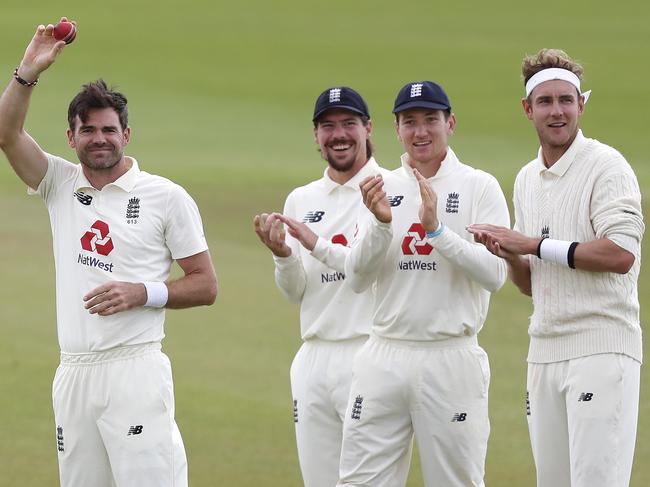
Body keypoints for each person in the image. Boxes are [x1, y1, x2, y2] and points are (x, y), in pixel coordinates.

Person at [0, 19, 218, 487]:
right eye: (88, 130)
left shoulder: (165, 196)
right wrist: (27, 72)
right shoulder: (59, 183)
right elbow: (7, 134)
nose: (99, 138)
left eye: (109, 130)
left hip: (134, 368)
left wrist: (143, 292)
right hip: (74, 373)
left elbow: (205, 284)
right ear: (71, 138)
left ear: (127, 134)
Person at [467, 49, 644, 487]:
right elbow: (532, 283)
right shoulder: (527, 178)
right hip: (544, 351)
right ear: (528, 110)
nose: (557, 111)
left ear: (582, 104)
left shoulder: (607, 166)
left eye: (566, 100)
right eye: (545, 102)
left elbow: (621, 254)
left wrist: (534, 244)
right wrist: (509, 253)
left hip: (601, 348)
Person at [336, 81, 510, 487]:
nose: (420, 132)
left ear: (450, 122)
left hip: (449, 357)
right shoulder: (380, 186)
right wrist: (380, 225)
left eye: (430, 119)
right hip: (384, 354)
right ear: (396, 130)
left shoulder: (478, 186)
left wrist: (438, 232)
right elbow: (358, 279)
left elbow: (496, 274)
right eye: (409, 121)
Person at [254, 87, 410, 487]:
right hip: (314, 357)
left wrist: (314, 244)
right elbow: (295, 292)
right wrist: (282, 255)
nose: (338, 134)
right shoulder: (302, 198)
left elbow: (367, 273)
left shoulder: (395, 188)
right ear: (316, 135)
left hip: (372, 351)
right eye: (328, 126)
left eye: (348, 124)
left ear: (368, 128)